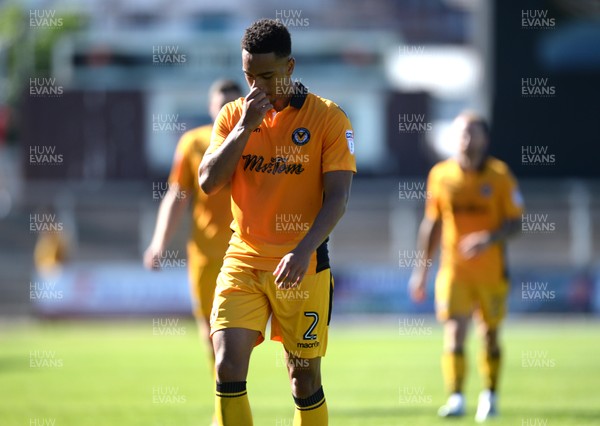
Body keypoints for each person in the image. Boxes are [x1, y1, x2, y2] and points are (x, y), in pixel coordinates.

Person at [199, 19, 356, 426]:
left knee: (303, 380)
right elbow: (208, 182)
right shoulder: (234, 116)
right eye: (249, 76)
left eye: (266, 76)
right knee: (226, 366)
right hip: (244, 261)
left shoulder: (328, 119)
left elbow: (338, 199)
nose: (257, 87)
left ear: (290, 66)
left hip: (302, 265)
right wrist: (244, 129)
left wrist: (302, 252)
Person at [408, 112, 523, 422]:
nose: (466, 139)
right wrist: (421, 272)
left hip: (491, 272)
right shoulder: (441, 175)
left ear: (485, 139)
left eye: (473, 133)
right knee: (454, 333)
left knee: (489, 336)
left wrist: (488, 239)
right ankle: (456, 397)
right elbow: (431, 224)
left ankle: (490, 395)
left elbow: (516, 223)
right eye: (461, 133)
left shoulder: (500, 177)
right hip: (454, 271)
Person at [143, 79, 242, 362]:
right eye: (221, 104)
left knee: (241, 332)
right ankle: (224, 400)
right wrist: (158, 244)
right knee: (211, 331)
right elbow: (177, 195)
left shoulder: (257, 141)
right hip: (206, 253)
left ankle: (232, 398)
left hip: (247, 252)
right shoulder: (194, 143)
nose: (227, 110)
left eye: (233, 104)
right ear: (211, 108)